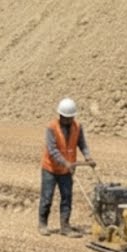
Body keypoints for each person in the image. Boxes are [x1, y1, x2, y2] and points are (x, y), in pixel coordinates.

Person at [38, 97, 96, 236]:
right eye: (66, 118)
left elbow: (82, 144)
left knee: (67, 197)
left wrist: (88, 157)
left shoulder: (77, 127)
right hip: (50, 169)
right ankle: (43, 224)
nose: (68, 120)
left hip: (67, 170)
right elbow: (52, 150)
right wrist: (65, 162)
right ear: (60, 116)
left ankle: (65, 226)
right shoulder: (51, 128)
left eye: (71, 118)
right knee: (47, 197)